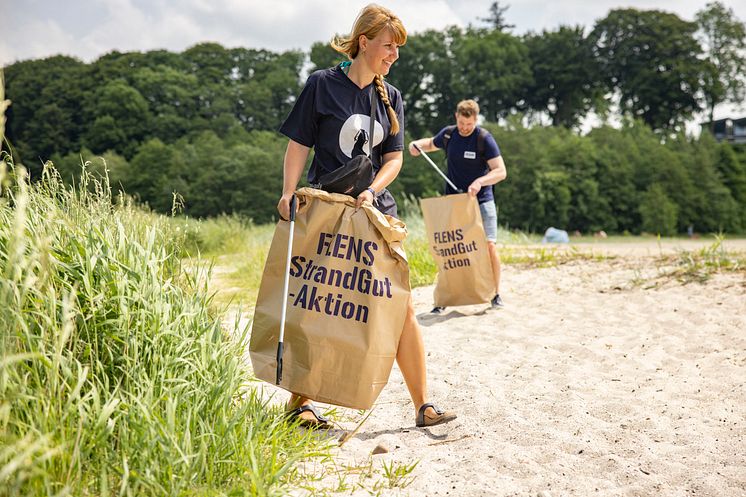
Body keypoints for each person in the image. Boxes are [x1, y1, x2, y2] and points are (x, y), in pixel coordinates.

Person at [276, 4, 456, 429]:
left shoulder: (391, 97)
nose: (394, 55)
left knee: (401, 307)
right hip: (327, 211)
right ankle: (299, 404)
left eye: (398, 49)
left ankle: (423, 405)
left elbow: (393, 159)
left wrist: (374, 191)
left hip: (375, 213)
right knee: (322, 303)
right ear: (364, 42)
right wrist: (287, 192)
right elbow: (298, 144)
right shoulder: (322, 84)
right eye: (389, 46)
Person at [408, 99, 507, 313]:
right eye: (462, 123)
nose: (464, 128)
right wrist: (415, 145)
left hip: (481, 201)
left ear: (476, 120)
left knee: (489, 246)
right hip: (454, 202)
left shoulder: (484, 139)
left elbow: (500, 171)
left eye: (469, 124)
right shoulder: (448, 134)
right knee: (450, 249)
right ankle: (444, 299)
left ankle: (496, 294)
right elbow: (428, 144)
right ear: (456, 117)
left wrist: (480, 182)